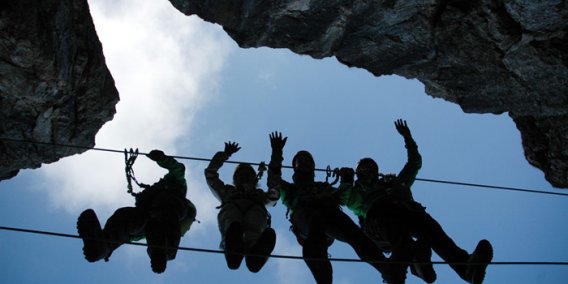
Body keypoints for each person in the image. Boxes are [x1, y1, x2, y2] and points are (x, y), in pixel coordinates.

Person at [338, 119, 493, 284]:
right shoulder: (359, 192)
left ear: (376, 171)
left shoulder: (392, 184)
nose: (367, 171)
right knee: (393, 225)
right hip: (378, 223)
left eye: (371, 168)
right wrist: (346, 181)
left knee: (428, 226)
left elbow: (414, 163)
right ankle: (412, 262)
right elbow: (346, 200)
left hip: (403, 213)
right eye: (363, 169)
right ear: (358, 173)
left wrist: (408, 138)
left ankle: (465, 267)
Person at [268, 132, 394, 284]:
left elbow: (341, 198)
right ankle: (323, 275)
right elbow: (274, 181)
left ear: (313, 166)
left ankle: (387, 269)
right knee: (316, 225)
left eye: (307, 160)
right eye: (299, 160)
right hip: (306, 218)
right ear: (294, 167)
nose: (304, 162)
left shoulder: (324, 187)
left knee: (354, 233)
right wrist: (277, 153)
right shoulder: (290, 189)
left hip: (328, 215)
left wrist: (346, 181)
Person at [77, 150, 196, 273]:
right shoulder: (146, 204)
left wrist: (163, 159)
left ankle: (162, 252)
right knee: (125, 215)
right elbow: (132, 228)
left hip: (175, 212)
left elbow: (178, 169)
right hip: (154, 224)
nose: (156, 184)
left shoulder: (175, 185)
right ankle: (103, 244)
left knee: (165, 208)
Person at [205, 141, 279, 272]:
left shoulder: (259, 195)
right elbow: (210, 174)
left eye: (248, 174)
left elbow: (274, 195)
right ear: (235, 179)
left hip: (255, 210)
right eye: (241, 174)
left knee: (254, 219)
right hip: (233, 208)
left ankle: (254, 253)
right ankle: (234, 247)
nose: (244, 176)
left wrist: (275, 158)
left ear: (254, 178)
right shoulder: (227, 191)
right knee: (232, 219)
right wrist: (225, 154)